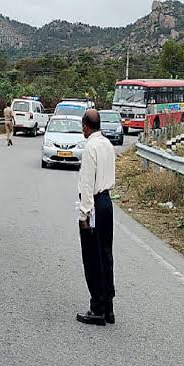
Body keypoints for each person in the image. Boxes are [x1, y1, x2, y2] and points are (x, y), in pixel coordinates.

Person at [76, 109, 116, 326]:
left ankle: (97, 308)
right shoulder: (107, 145)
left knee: (92, 257)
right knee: (106, 255)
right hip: (107, 203)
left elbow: (87, 183)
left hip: (93, 205)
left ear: (85, 126)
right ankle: (108, 306)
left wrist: (84, 215)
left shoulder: (90, 147)